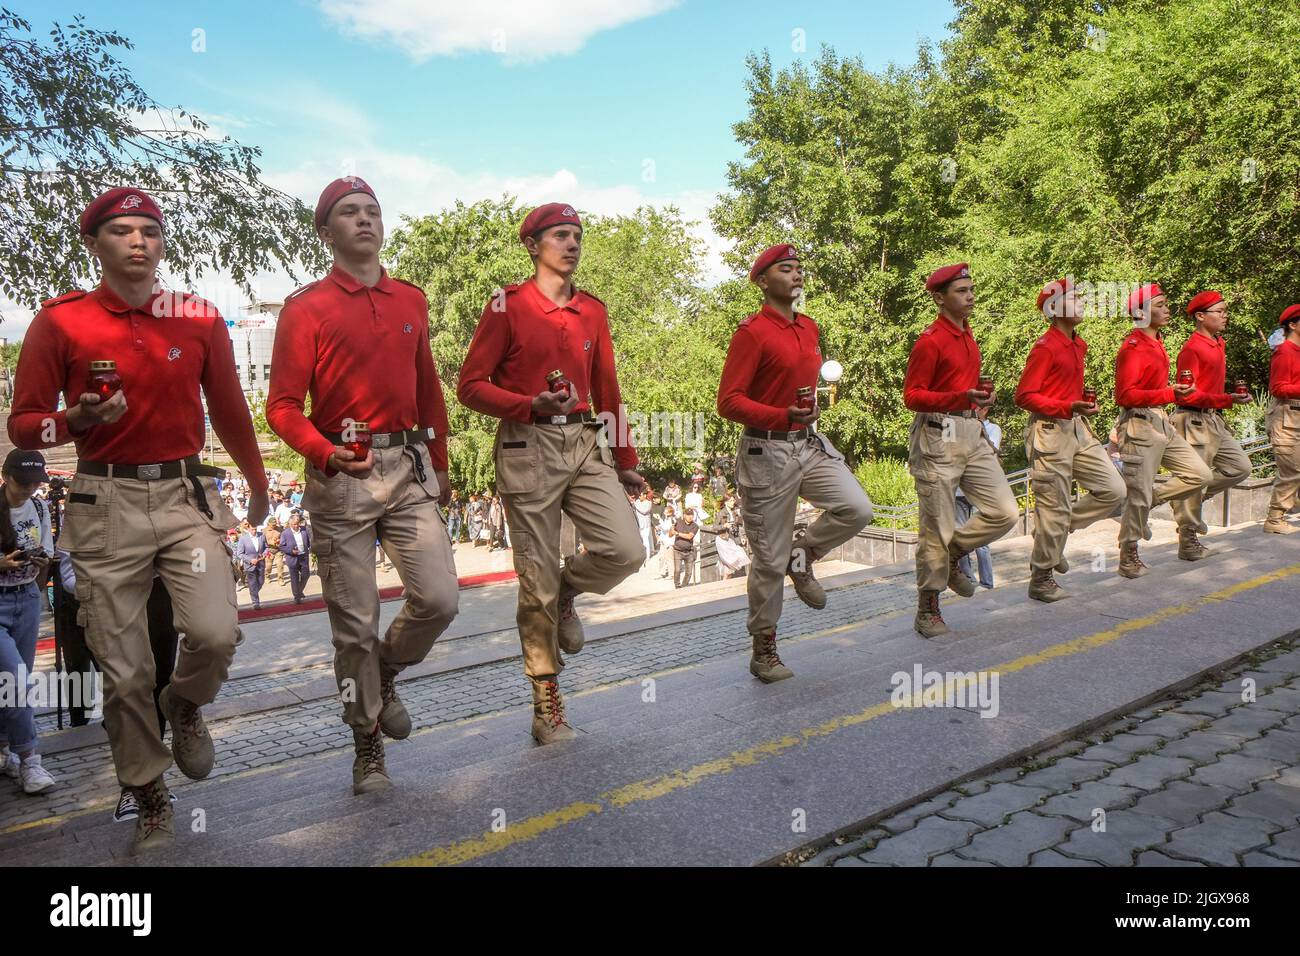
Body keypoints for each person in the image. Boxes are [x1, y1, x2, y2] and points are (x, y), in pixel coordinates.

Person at [8, 187, 266, 854]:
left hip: (184, 494)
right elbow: (24, 424)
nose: (139, 240)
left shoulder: (199, 318)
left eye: (150, 229)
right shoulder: (58, 322)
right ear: (94, 244)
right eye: (121, 230)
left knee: (214, 629)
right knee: (121, 670)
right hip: (103, 503)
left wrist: (258, 483)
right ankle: (149, 791)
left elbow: (233, 410)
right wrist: (75, 421)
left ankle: (183, 703)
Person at [267, 176, 459, 793]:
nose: (364, 219)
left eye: (372, 210)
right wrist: (323, 453)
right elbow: (283, 407)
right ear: (326, 232)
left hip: (408, 466)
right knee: (353, 623)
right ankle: (366, 741)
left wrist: (442, 456)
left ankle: (385, 669)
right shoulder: (306, 307)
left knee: (440, 599)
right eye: (349, 212)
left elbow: (428, 387)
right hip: (341, 475)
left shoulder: (412, 299)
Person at [458, 202, 645, 744]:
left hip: (586, 440)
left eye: (577, 236)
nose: (572, 244)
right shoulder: (505, 305)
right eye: (560, 235)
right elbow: (470, 386)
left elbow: (608, 390)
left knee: (626, 550)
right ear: (533, 244)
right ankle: (546, 702)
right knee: (533, 580)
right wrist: (527, 403)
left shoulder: (593, 311)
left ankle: (569, 591)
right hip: (527, 444)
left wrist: (627, 459)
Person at [717, 244, 873, 679]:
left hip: (808, 443)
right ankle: (764, 648)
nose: (797, 274)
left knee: (857, 507)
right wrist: (781, 414)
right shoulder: (751, 332)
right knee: (767, 559)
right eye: (786, 269)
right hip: (765, 451)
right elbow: (728, 402)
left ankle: (802, 556)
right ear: (764, 282)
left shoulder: (809, 327)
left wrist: (808, 411)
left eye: (799, 268)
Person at [902, 262, 1017, 638]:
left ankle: (954, 553)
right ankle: (928, 609)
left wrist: (981, 400)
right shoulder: (930, 340)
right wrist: (959, 396)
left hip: (971, 428)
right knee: (935, 527)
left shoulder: (969, 336)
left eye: (970, 289)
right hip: (939, 433)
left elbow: (964, 388)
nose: (970, 296)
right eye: (961, 291)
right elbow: (912, 396)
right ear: (940, 298)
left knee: (1005, 512)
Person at [1013, 279, 1126, 601]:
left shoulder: (1078, 344)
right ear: (1054, 308)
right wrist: (1065, 405)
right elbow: (1023, 396)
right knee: (1053, 506)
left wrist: (1081, 407)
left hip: (1078, 428)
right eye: (1073, 298)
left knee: (1113, 490)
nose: (1081, 302)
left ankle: (1055, 528)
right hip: (1049, 432)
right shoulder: (1045, 346)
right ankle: (1042, 578)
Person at [1113, 284, 1213, 578]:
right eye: (1160, 305)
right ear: (1141, 312)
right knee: (1138, 495)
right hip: (1139, 423)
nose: (1167, 309)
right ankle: (1128, 556)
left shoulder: (1156, 342)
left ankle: (1149, 499)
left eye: (1166, 304)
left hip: (1160, 420)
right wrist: (1172, 394)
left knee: (1200, 474)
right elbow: (1125, 395)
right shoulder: (1132, 348)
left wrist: (1171, 395)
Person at [1169, 291, 1253, 559]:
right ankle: (1188, 541)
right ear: (1200, 316)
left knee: (1240, 467)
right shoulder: (1191, 349)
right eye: (1220, 312)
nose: (1225, 315)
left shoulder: (1218, 343)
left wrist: (1230, 399)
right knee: (1194, 478)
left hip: (1214, 417)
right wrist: (1228, 399)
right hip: (1193, 419)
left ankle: (1192, 498)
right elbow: (1187, 393)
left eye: (1225, 311)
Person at [0, 450, 56, 795]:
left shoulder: (38, 507)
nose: (32, 488)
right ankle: (30, 760)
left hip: (27, 598)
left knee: (10, 684)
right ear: (5, 477)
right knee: (17, 681)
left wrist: (40, 560)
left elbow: (47, 548)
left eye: (37, 482)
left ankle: (5, 749)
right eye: (25, 482)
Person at [1265, 305, 1300, 533]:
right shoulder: (1285, 351)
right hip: (1286, 417)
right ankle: (1274, 519)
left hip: (1296, 415)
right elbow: (1277, 388)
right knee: (1293, 471)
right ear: (1293, 325)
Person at [278, 511, 312, 604]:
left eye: (297, 524)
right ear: (290, 524)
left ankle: (299, 591)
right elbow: (281, 546)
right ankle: (297, 597)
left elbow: (309, 541)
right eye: (294, 524)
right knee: (294, 578)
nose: (296, 526)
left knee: (306, 575)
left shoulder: (304, 530)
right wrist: (291, 551)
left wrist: (310, 549)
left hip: (303, 556)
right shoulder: (285, 533)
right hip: (292, 558)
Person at [234, 519, 267, 609]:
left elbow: (266, 548)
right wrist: (250, 560)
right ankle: (255, 602)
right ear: (248, 529)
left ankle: (253, 592)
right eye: (252, 529)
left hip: (261, 563)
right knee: (252, 583)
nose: (254, 531)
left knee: (261, 582)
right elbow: (239, 553)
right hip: (250, 565)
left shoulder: (261, 536)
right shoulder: (243, 539)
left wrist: (264, 554)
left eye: (255, 529)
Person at [672, 508, 698, 588]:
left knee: (689, 573)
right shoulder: (678, 523)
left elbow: (690, 536)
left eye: (692, 515)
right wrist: (672, 528)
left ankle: (683, 587)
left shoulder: (695, 526)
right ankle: (677, 585)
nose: (690, 516)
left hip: (689, 551)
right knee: (677, 570)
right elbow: (670, 534)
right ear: (684, 515)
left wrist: (677, 533)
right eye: (688, 515)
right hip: (678, 551)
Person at [634, 488, 655, 564]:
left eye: (641, 495)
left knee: (646, 540)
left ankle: (647, 556)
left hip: (646, 524)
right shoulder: (637, 501)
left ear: (645, 495)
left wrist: (636, 505)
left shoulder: (648, 503)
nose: (639, 497)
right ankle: (643, 554)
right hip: (639, 524)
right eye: (639, 495)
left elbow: (644, 511)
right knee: (642, 540)